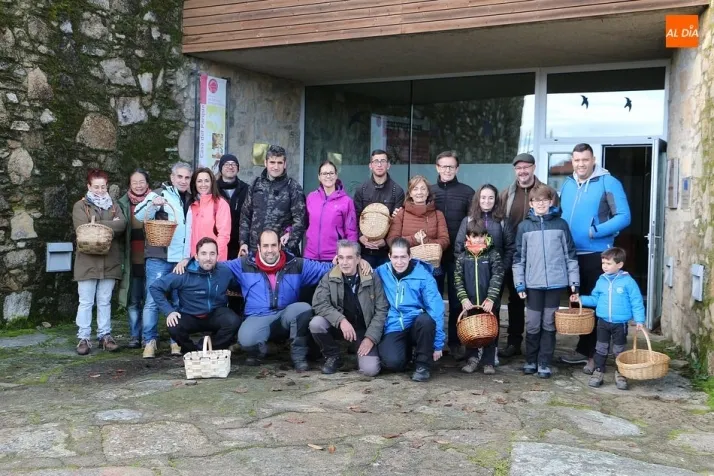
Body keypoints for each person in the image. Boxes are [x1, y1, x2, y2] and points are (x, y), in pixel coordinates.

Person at [223, 230, 371, 371]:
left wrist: (356, 262)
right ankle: (261, 350)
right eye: (265, 246)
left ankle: (298, 357)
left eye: (273, 245)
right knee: (246, 340)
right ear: (259, 247)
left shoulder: (295, 264)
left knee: (303, 308)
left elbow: (325, 268)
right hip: (257, 317)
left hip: (286, 316)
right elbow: (217, 268)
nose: (270, 250)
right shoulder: (243, 265)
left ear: (280, 245)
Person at [559, 143, 631, 374]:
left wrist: (595, 231)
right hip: (571, 254)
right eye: (577, 160)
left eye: (585, 160)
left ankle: (594, 355)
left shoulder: (608, 182)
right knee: (579, 304)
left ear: (593, 160)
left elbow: (624, 216)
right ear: (572, 161)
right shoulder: (568, 184)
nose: (581, 164)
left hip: (596, 254)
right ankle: (584, 349)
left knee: (596, 305)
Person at [512, 184, 579, 379]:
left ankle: (544, 362)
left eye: (544, 200)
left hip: (555, 284)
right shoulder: (524, 227)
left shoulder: (561, 225)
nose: (541, 204)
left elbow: (570, 255)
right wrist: (519, 283)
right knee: (533, 323)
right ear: (531, 203)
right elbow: (519, 258)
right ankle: (530, 360)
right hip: (533, 284)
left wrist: (574, 282)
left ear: (551, 202)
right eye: (536, 200)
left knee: (549, 323)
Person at [499, 153, 559, 359]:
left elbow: (555, 219)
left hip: (540, 256)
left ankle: (540, 345)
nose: (522, 171)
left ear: (534, 167)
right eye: (519, 168)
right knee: (515, 299)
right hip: (515, 254)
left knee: (539, 303)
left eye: (526, 167)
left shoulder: (547, 192)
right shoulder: (506, 194)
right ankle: (514, 342)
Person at [134, 162, 193, 358]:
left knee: (177, 300)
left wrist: (187, 257)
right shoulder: (160, 194)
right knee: (152, 300)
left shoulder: (191, 198)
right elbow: (139, 215)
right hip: (159, 256)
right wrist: (154, 204)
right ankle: (149, 340)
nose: (183, 181)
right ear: (172, 177)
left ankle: (175, 340)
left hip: (180, 259)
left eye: (187, 177)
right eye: (180, 176)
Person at [454, 183, 515, 360]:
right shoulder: (468, 220)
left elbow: (510, 248)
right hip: (471, 277)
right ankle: (473, 352)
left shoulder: (503, 221)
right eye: (483, 197)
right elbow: (459, 248)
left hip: (494, 276)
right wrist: (465, 268)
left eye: (490, 198)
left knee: (491, 314)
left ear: (496, 200)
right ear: (477, 199)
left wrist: (501, 269)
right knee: (472, 314)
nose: (486, 201)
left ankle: (490, 353)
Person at [150, 238, 242, 354]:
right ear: (196, 257)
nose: (208, 258)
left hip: (215, 313)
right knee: (173, 326)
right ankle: (191, 351)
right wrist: (169, 311)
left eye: (212, 253)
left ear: (217, 256)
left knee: (233, 321)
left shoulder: (224, 272)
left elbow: (237, 286)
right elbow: (155, 287)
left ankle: (209, 348)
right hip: (190, 315)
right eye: (203, 253)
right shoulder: (183, 273)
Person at [571, 247, 644, 390]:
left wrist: (639, 320)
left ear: (620, 264)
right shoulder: (601, 280)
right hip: (603, 322)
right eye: (603, 263)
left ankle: (621, 373)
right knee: (600, 348)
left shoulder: (628, 282)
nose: (604, 266)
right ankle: (598, 371)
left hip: (620, 323)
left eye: (608, 263)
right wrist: (580, 299)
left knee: (619, 349)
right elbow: (595, 299)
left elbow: (636, 301)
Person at [310, 240, 387, 375]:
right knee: (316, 323)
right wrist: (341, 320)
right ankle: (333, 356)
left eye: (349, 257)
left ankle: (358, 349)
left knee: (370, 370)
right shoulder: (330, 276)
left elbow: (382, 310)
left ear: (358, 259)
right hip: (339, 327)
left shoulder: (372, 277)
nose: (344, 262)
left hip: (363, 329)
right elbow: (319, 303)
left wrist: (370, 338)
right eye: (341, 257)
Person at [375, 238, 445, 382]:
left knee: (426, 320)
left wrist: (438, 344)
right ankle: (406, 354)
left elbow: (436, 309)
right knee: (392, 363)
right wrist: (361, 263)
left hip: (416, 324)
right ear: (389, 256)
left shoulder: (424, 276)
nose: (399, 262)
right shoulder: (382, 272)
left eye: (403, 257)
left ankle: (422, 365)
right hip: (394, 324)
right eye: (395, 257)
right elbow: (364, 274)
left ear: (410, 256)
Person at [72, 169, 126, 355]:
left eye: (103, 187)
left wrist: (96, 223)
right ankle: (84, 337)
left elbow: (122, 225)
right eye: (96, 187)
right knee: (86, 301)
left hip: (109, 260)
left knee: (105, 301)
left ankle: (105, 335)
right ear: (89, 186)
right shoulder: (80, 206)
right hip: (87, 261)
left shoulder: (114, 205)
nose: (100, 190)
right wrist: (111, 224)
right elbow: (83, 229)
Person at [429, 150, 475, 358]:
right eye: (443, 166)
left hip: (458, 257)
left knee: (457, 301)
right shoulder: (429, 192)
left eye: (451, 166)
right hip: (433, 257)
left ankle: (455, 342)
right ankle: (433, 341)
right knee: (433, 299)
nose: (447, 170)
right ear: (437, 167)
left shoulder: (467, 193)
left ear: (457, 168)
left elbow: (474, 225)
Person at [454, 221, 505, 375]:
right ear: (468, 237)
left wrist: (491, 298)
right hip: (470, 303)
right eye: (474, 236)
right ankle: (472, 359)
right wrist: (463, 299)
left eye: (481, 236)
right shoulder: (462, 257)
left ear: (486, 236)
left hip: (488, 303)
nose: (478, 239)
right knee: (471, 333)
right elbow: (458, 279)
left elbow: (497, 276)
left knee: (490, 331)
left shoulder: (493, 254)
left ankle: (488, 362)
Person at [239, 145, 306, 257]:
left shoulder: (293, 187)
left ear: (285, 164)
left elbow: (300, 221)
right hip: (255, 250)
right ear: (266, 163)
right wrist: (243, 243)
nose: (276, 167)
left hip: (281, 252)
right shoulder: (255, 184)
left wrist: (289, 245)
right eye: (272, 162)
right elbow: (245, 216)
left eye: (279, 163)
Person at [385, 175, 450, 274]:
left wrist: (426, 241)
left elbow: (445, 241)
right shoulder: (401, 214)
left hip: (431, 268)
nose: (419, 192)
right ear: (410, 193)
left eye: (423, 189)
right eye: (415, 189)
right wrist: (414, 239)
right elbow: (391, 241)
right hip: (405, 266)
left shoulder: (438, 214)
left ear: (427, 193)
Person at [353, 149, 405, 268]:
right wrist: (360, 237)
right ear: (370, 166)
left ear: (388, 165)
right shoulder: (361, 190)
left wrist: (386, 241)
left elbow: (397, 221)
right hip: (365, 251)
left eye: (383, 161)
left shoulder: (397, 191)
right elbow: (355, 216)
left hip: (387, 253)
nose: (379, 164)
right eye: (376, 161)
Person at [117, 169, 151, 348]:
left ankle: (148, 336)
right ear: (129, 184)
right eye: (134, 182)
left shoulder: (155, 201)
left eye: (142, 181)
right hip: (132, 261)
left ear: (147, 183)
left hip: (151, 260)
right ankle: (134, 335)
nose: (138, 185)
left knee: (149, 302)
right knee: (133, 301)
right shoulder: (122, 204)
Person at [304, 160, 358, 262]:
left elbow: (351, 232)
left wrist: (347, 256)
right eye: (324, 173)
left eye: (331, 173)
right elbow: (302, 221)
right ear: (319, 177)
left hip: (334, 258)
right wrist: (289, 230)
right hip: (310, 257)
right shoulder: (311, 197)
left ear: (336, 175)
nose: (328, 176)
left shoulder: (346, 201)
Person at [188, 167, 231, 262]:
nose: (203, 184)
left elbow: (224, 235)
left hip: (213, 261)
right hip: (194, 260)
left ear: (212, 183)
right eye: (199, 181)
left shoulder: (220, 204)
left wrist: (212, 257)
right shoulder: (192, 205)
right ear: (195, 184)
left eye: (206, 181)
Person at [216, 154, 249, 259]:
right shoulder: (213, 189)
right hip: (217, 242)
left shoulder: (246, 189)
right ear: (220, 168)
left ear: (238, 168)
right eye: (226, 164)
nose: (230, 167)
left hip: (239, 243)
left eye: (234, 164)